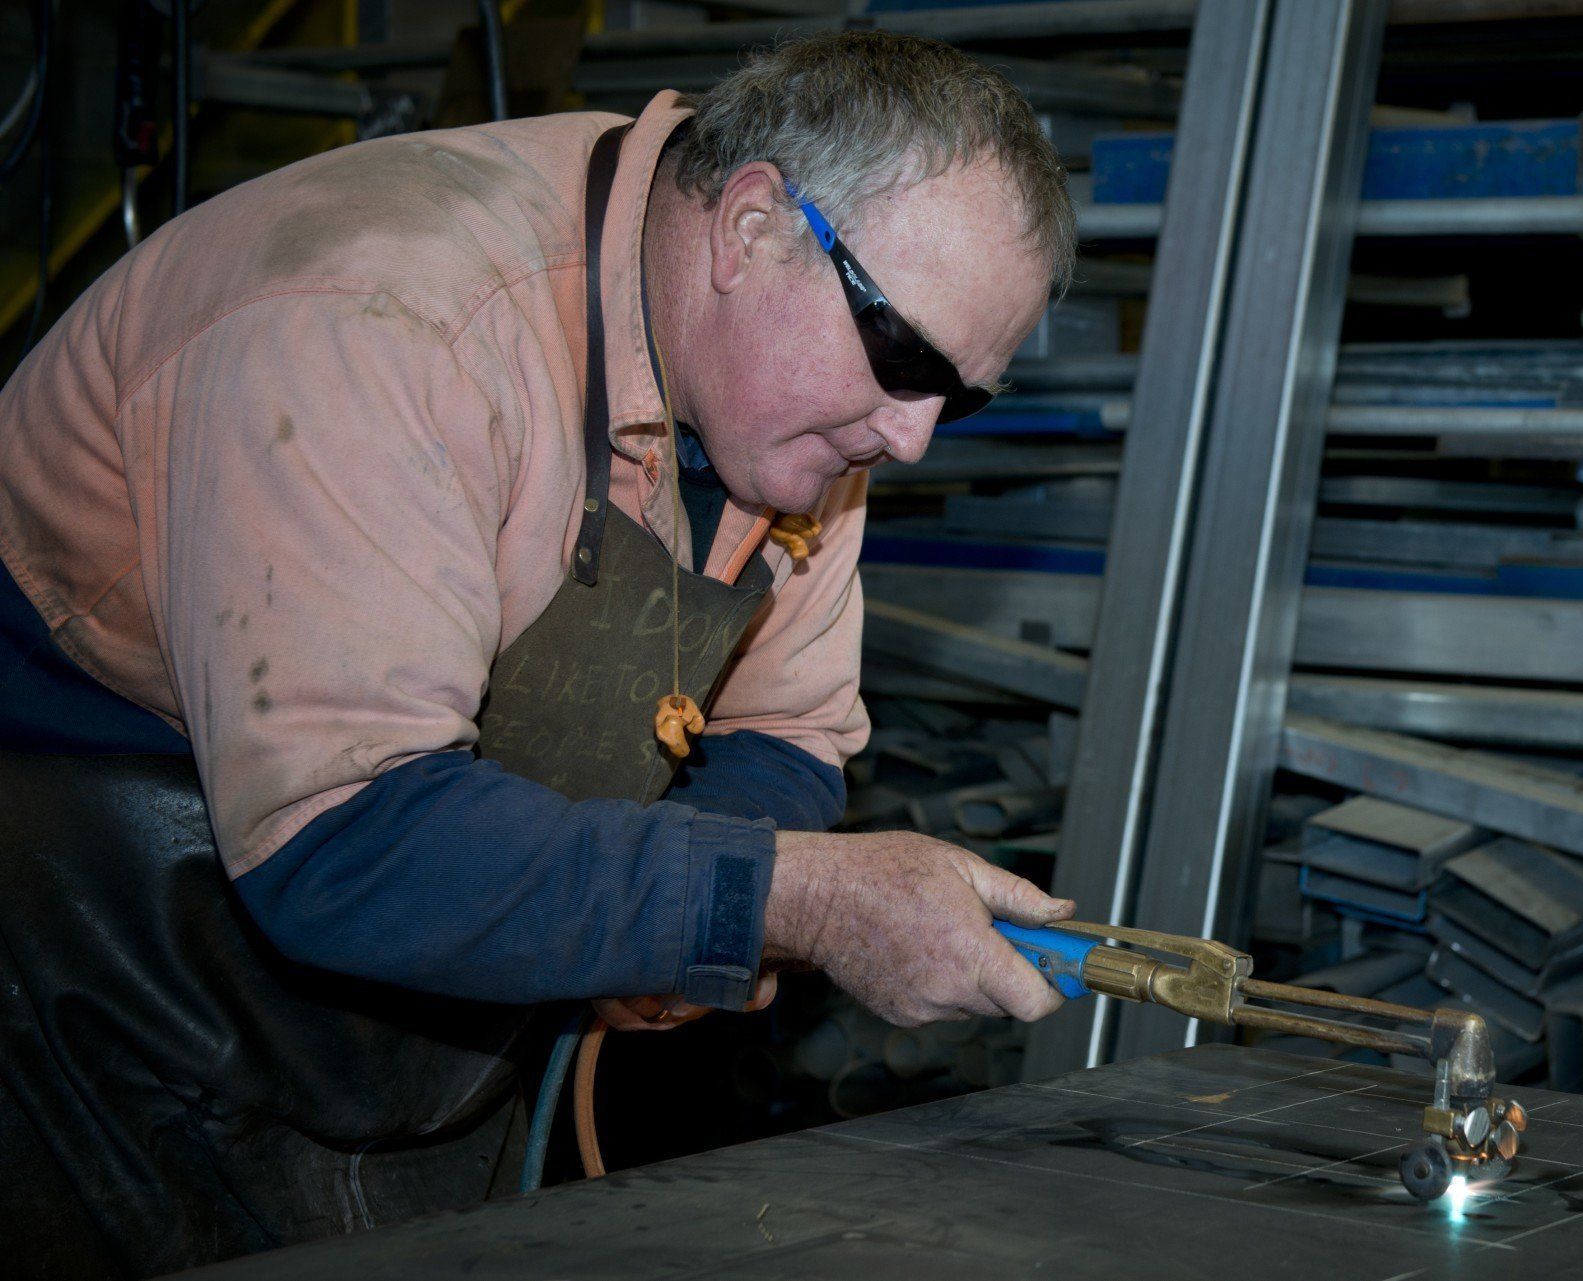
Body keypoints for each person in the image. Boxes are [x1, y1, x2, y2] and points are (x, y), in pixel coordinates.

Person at [0, 30, 1078, 1277]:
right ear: (748, 228)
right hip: (99, 962)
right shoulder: (383, 317)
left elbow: (781, 733)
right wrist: (787, 902)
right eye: (906, 359)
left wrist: (677, 928)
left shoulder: (801, 416)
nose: (916, 436)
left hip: (419, 972)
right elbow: (345, 842)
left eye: (966, 395)